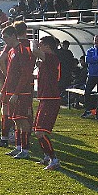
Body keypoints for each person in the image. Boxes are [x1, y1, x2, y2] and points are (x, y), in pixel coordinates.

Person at [0, 25, 35, 159]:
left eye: (6, 37)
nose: (5, 41)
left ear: (14, 36)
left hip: (22, 92)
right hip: (11, 91)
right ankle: (18, 147)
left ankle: (25, 149)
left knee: (22, 120)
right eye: (3, 38)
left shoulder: (22, 50)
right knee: (15, 120)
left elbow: (25, 74)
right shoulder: (11, 51)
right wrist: (3, 91)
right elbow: (9, 74)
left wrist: (16, 93)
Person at [34, 35, 62, 170]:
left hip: (50, 99)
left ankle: (54, 159)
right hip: (45, 98)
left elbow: (34, 51)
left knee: (40, 131)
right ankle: (47, 156)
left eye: (41, 44)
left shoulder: (51, 57)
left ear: (47, 46)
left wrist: (31, 41)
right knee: (37, 130)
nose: (39, 46)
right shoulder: (47, 61)